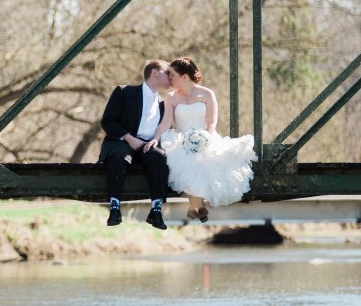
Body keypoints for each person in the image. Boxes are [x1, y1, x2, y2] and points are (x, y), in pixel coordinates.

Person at [155, 56, 257, 222]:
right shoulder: (171, 97)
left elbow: (211, 122)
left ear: (184, 77)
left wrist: (203, 139)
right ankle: (199, 207)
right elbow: (165, 123)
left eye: (172, 75)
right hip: (181, 140)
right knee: (185, 160)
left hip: (206, 137)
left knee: (202, 159)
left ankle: (196, 206)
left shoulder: (207, 94)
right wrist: (155, 139)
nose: (169, 78)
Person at [98, 59, 172, 230]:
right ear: (155, 73)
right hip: (122, 141)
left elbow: (165, 128)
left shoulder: (163, 103)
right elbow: (108, 121)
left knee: (160, 158)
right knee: (119, 156)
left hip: (147, 146)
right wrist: (128, 137)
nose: (171, 77)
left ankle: (156, 211)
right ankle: (115, 208)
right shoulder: (124, 91)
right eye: (168, 73)